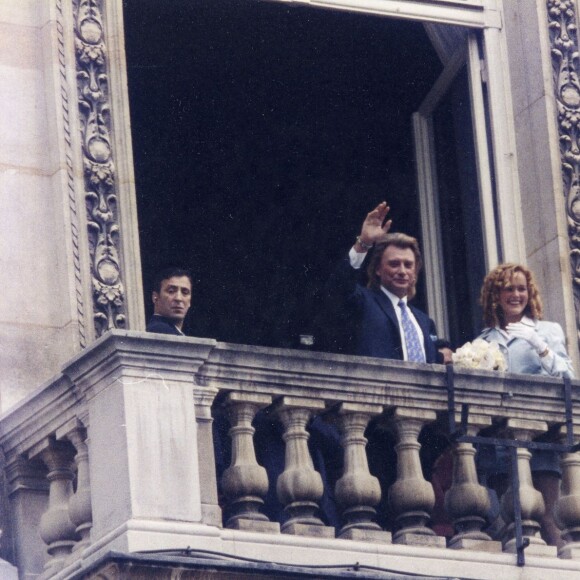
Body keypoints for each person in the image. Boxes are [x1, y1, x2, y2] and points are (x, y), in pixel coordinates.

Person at [477, 263, 574, 547]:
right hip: (500, 443)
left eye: (522, 288)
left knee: (547, 517)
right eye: (509, 288)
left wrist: (540, 347)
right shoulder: (483, 340)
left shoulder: (547, 330)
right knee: (512, 520)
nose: (516, 294)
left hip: (540, 439)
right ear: (496, 295)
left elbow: (567, 376)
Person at [326, 201, 452, 363]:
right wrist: (363, 244)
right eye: (394, 264)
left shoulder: (425, 322)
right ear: (378, 269)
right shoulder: (364, 302)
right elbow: (338, 288)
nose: (401, 271)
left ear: (414, 272)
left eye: (408, 265)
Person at [146, 267, 193, 335]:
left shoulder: (173, 331)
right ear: (155, 297)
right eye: (171, 291)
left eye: (185, 292)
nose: (178, 298)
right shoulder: (159, 329)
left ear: (189, 301)